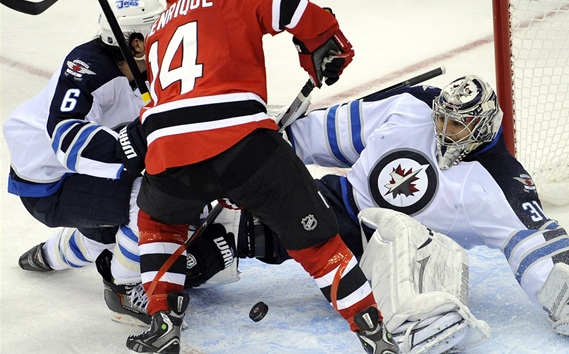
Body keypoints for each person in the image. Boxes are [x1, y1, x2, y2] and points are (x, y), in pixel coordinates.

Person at [213, 74, 569, 352]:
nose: (444, 129)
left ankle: (421, 318)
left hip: (396, 255)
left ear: (482, 126)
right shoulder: (411, 105)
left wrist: (568, 288)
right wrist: (273, 145)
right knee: (249, 227)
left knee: (410, 240)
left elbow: (534, 240)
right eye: (441, 118)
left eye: (457, 125)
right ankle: (196, 256)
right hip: (342, 202)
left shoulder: (500, 180)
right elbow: (333, 131)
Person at [120, 1, 398, 354]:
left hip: (170, 152)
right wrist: (325, 39)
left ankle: (162, 322)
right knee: (317, 244)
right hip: (243, 143)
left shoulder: (159, 24)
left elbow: (167, 99)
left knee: (159, 224)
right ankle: (373, 331)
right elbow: (293, 8)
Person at [3, 0, 167, 326]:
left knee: (107, 236)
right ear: (135, 43)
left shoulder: (141, 67)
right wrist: (135, 147)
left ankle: (50, 255)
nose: (170, 36)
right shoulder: (90, 70)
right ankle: (123, 286)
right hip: (48, 183)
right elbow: (67, 138)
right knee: (151, 201)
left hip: (72, 175)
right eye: (159, 32)